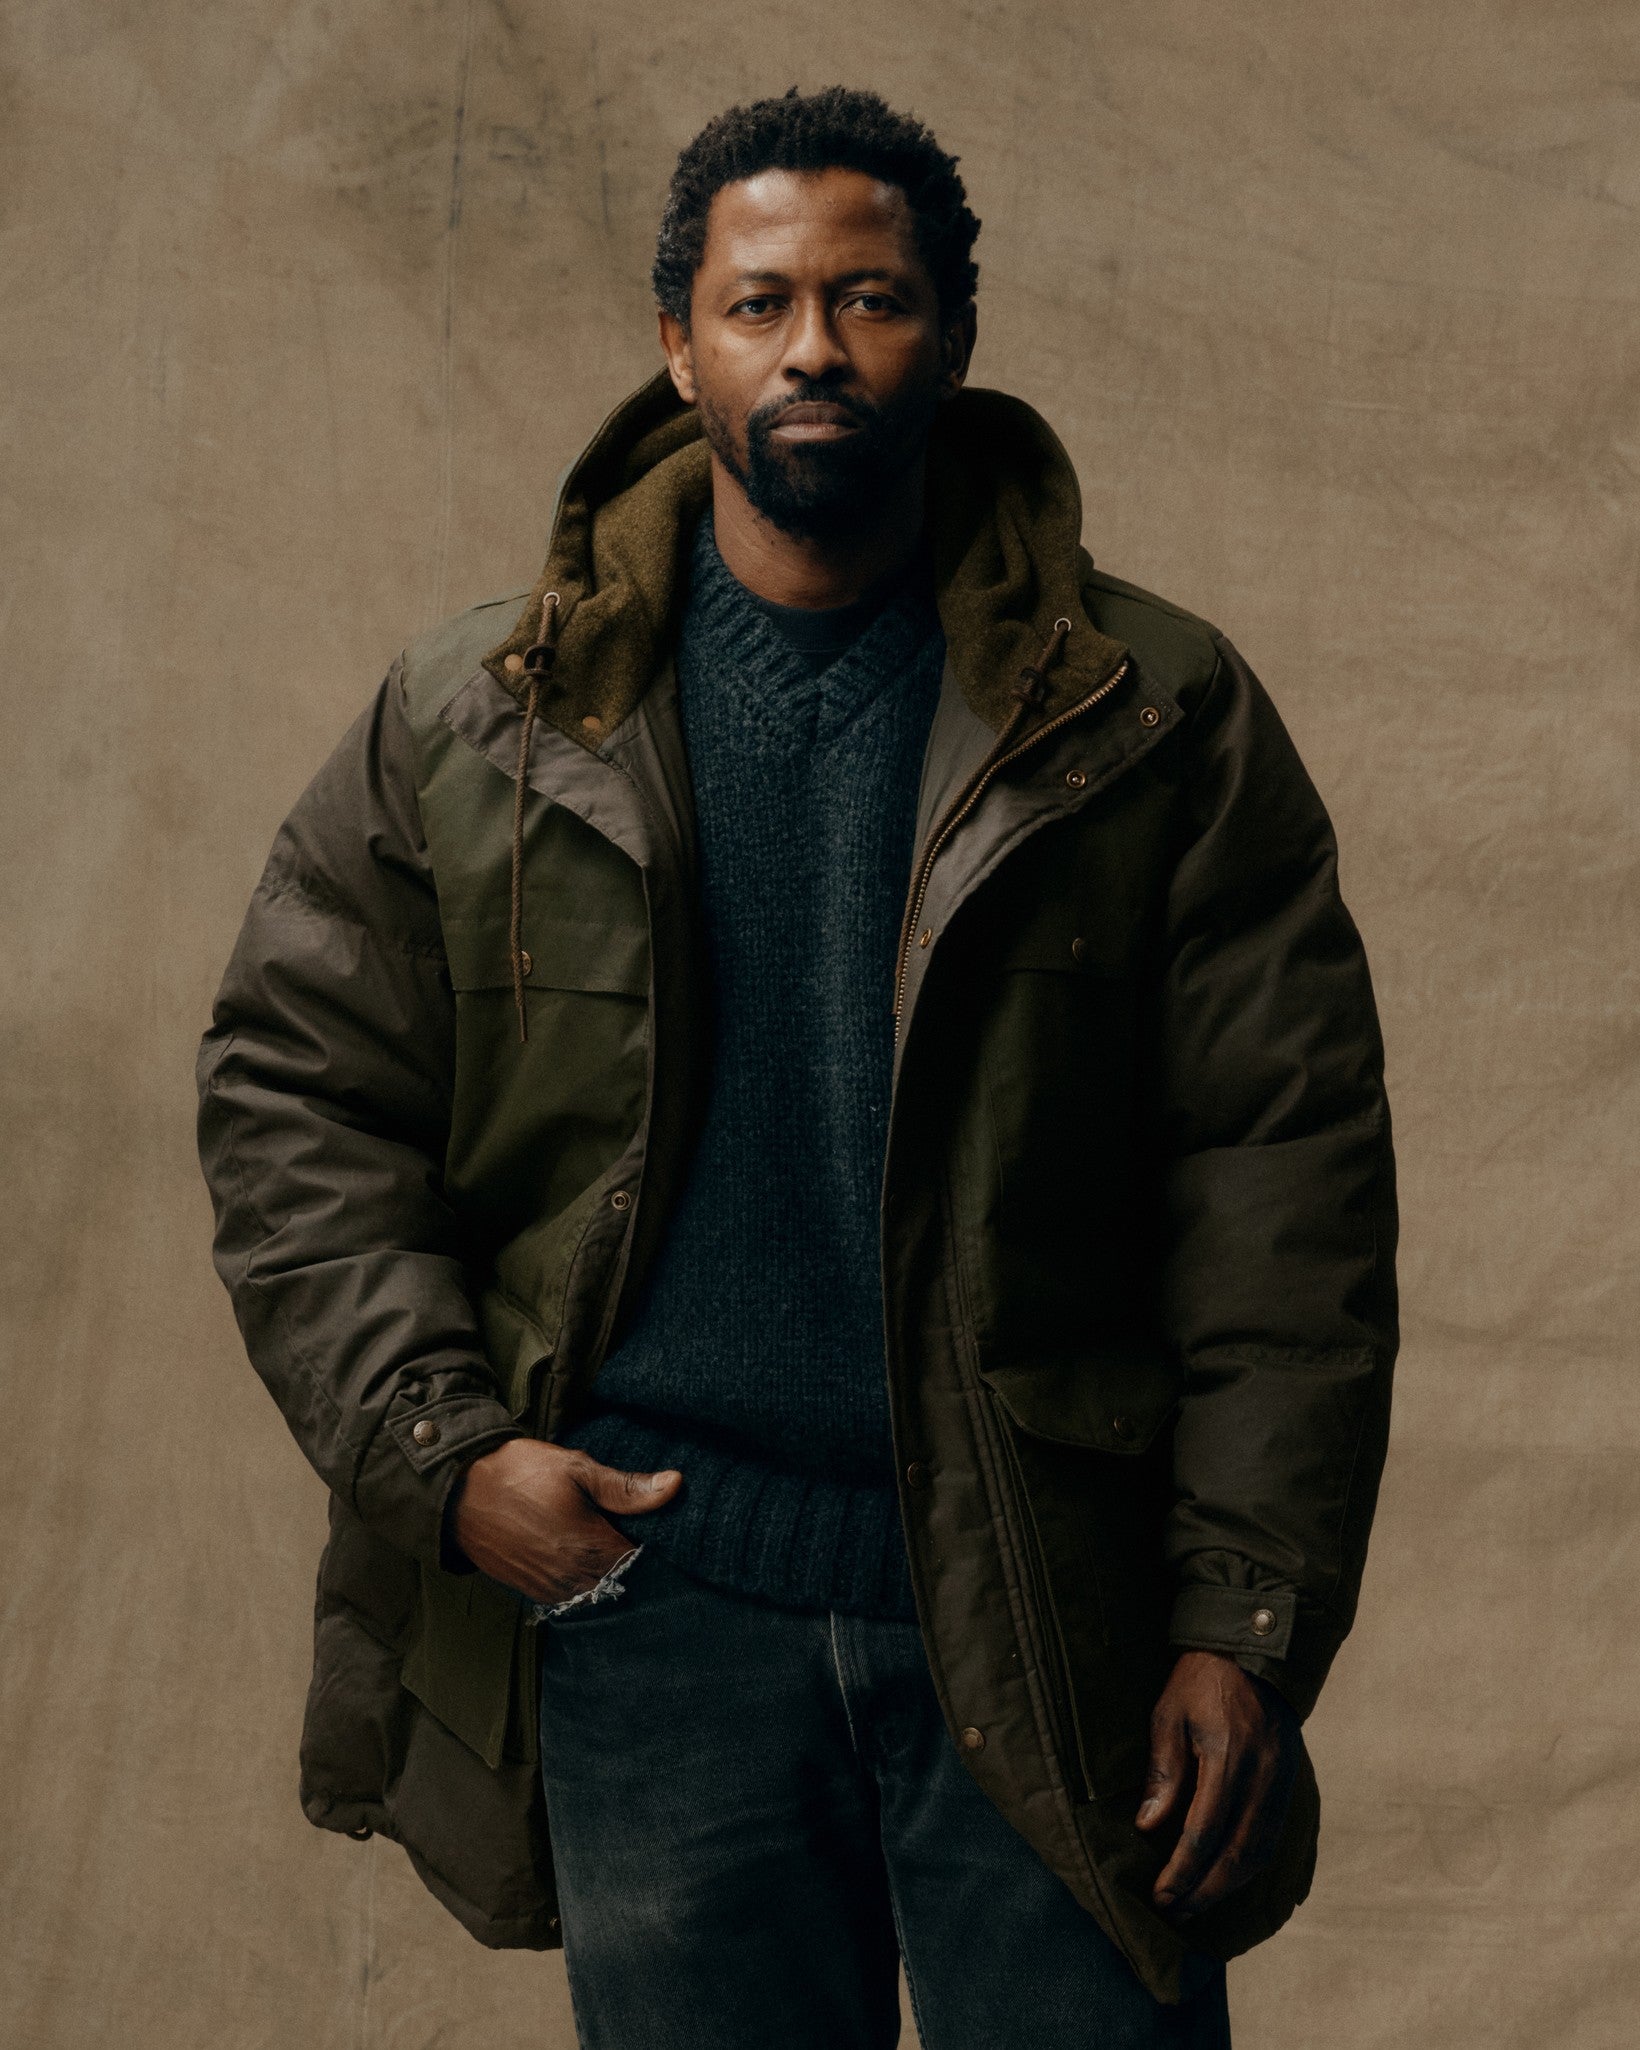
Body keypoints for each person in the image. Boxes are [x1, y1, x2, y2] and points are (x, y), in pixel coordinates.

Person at [197, 85, 1397, 2050]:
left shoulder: (1150, 716)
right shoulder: (479, 721)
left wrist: (1239, 1615)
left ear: (955, 333)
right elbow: (292, 1097)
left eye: (871, 298)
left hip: (1052, 1604)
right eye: (760, 303)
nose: (814, 345)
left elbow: (1288, 1190)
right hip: (656, 1605)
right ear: (680, 346)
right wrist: (446, 1453)